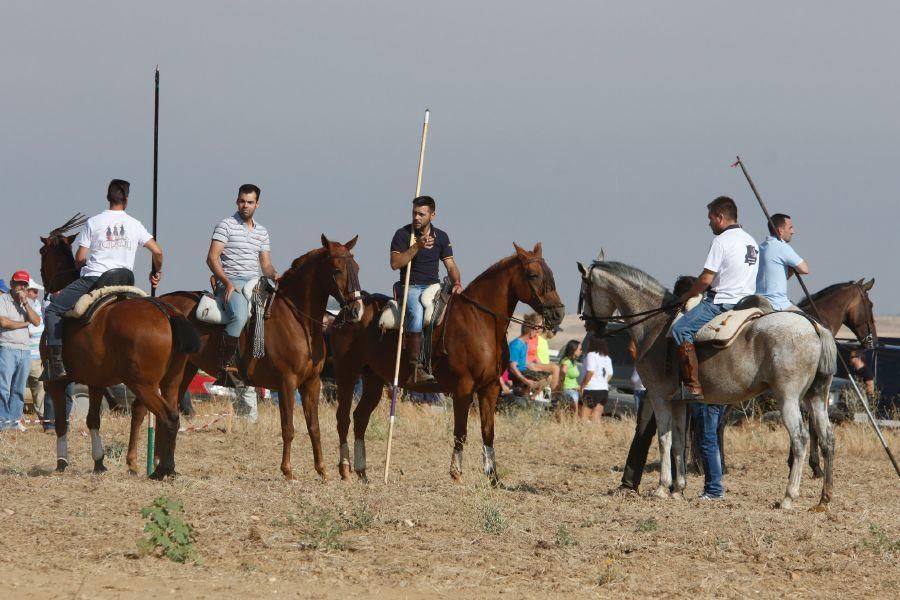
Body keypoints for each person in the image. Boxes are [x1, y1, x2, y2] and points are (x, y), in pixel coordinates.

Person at [44, 179, 164, 380]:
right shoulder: (135, 224)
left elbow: (80, 258)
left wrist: (82, 264)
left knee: (53, 309)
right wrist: (156, 272)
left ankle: (56, 365)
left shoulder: (94, 222)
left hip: (96, 279)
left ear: (108, 198)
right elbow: (158, 252)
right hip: (126, 281)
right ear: (126, 200)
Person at [672, 196, 759, 402]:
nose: (709, 222)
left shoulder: (721, 241)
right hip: (748, 302)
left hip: (722, 302)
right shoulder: (751, 241)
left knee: (680, 329)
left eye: (710, 218)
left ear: (720, 217)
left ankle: (692, 387)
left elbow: (706, 279)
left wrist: (688, 294)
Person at [207, 184, 279, 387]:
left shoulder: (262, 232)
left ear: (257, 204)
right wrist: (227, 283)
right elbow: (212, 259)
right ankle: (225, 368)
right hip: (232, 281)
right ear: (237, 201)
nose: (244, 205)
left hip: (255, 282)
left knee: (276, 313)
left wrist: (274, 274)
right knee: (239, 316)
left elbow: (265, 265)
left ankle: (262, 362)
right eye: (241, 201)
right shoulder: (226, 225)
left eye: (249, 202)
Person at [389, 195, 462, 385]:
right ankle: (415, 367)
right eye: (414, 213)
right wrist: (417, 247)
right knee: (417, 311)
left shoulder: (442, 237)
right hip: (410, 286)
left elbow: (451, 265)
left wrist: (457, 283)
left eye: (421, 214)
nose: (416, 217)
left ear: (432, 215)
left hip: (433, 286)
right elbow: (395, 264)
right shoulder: (403, 234)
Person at [0, 271, 42, 431]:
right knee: (3, 388)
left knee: (18, 389)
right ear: (12, 284)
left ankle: (14, 422)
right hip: (7, 347)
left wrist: (25, 304)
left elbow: (37, 321)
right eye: (19, 283)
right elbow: (4, 322)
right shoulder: (3, 300)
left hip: (25, 351)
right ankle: (3, 423)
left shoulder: (28, 302)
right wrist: (25, 324)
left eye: (25, 285)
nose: (22, 287)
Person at [756, 213, 809, 310]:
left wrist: (791, 268)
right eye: (790, 228)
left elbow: (785, 276)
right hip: (777, 303)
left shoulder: (761, 247)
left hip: (757, 301)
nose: (793, 231)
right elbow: (804, 269)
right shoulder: (782, 247)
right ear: (780, 231)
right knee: (811, 323)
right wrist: (793, 266)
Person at [578, 336, 613, 422]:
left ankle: (585, 434)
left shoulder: (591, 355)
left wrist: (582, 385)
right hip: (603, 391)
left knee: (584, 417)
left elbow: (590, 371)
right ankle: (597, 434)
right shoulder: (606, 357)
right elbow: (610, 374)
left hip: (591, 389)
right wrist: (602, 383)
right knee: (596, 417)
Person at [25, 278, 45, 418]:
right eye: (33, 291)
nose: (36, 294)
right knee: (17, 389)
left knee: (39, 388)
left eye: (36, 291)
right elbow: (31, 329)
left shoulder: (38, 305)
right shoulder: (21, 306)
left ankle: (44, 417)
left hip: (37, 355)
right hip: (25, 353)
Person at [508, 320, 543, 392]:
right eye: (535, 331)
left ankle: (528, 394)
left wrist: (535, 368)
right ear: (531, 331)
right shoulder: (516, 344)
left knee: (546, 377)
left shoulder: (525, 344)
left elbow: (522, 363)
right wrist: (526, 381)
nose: (536, 334)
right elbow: (512, 368)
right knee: (542, 379)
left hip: (523, 371)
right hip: (517, 375)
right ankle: (521, 392)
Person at [558, 339, 582, 407]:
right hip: (569, 390)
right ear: (574, 350)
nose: (581, 351)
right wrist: (561, 386)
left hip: (574, 389)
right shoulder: (566, 361)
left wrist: (578, 386)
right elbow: (563, 371)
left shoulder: (573, 362)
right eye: (580, 349)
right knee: (574, 413)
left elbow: (572, 378)